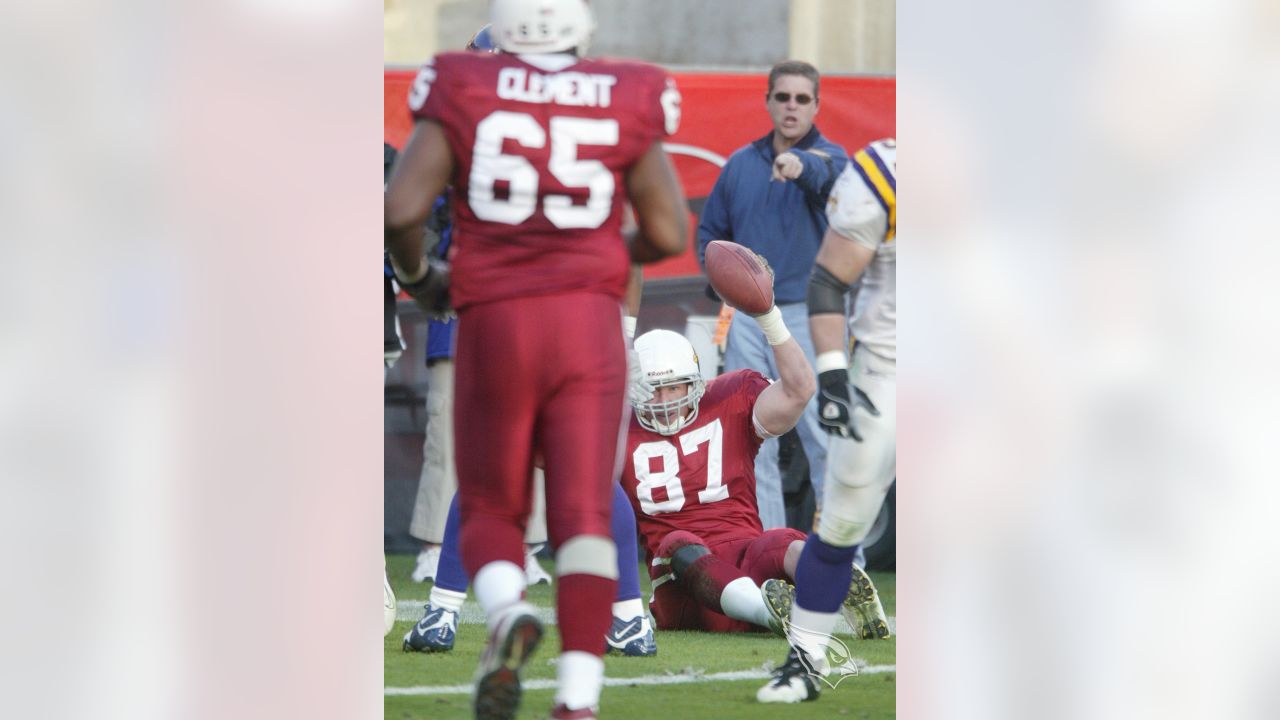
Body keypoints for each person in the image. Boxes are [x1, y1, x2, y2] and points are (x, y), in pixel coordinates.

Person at [384, 1, 688, 717]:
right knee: (584, 509)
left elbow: (399, 213)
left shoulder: (461, 86)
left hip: (498, 314)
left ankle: (501, 607)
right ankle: (578, 698)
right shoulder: (623, 91)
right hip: (586, 319)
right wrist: (598, 263)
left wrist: (428, 282)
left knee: (491, 496)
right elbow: (668, 228)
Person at [757, 138, 897, 704]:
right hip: (889, 370)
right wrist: (835, 373)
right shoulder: (889, 170)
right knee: (843, 520)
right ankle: (806, 658)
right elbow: (829, 280)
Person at [696, 60, 849, 531]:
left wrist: (801, 166)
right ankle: (767, 554)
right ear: (767, 101)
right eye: (783, 97)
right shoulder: (741, 164)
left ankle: (846, 559)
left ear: (817, 106)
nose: (791, 107)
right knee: (751, 437)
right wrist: (723, 282)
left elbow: (826, 174)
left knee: (826, 437)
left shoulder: (832, 158)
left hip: (809, 317)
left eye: (802, 99)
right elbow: (709, 237)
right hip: (747, 319)